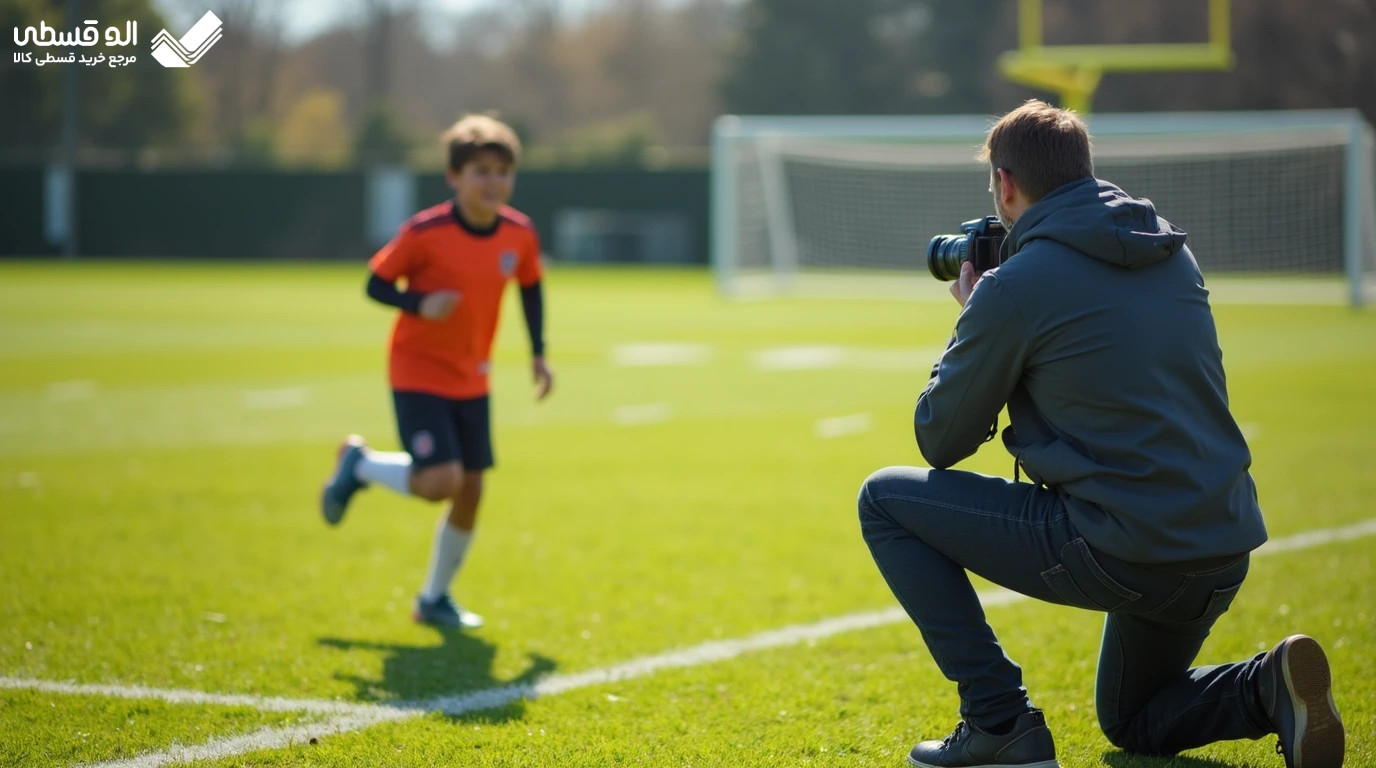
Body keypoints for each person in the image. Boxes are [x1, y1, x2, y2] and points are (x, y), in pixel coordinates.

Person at [856, 100, 1344, 768]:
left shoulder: (1014, 287)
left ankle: (998, 720)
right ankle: (1264, 687)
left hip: (1124, 548)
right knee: (1133, 720)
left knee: (883, 501)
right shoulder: (1172, 251)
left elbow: (938, 439)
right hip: (1219, 549)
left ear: (1004, 183)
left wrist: (972, 322)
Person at [320, 113, 553, 629]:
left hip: (474, 375)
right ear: (454, 177)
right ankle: (358, 465)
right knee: (440, 482)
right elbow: (376, 283)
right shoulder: (425, 232)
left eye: (502, 171)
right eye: (480, 171)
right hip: (418, 369)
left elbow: (531, 286)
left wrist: (538, 352)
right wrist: (420, 303)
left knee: (471, 489)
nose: (493, 181)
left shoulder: (519, 233)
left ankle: (433, 599)